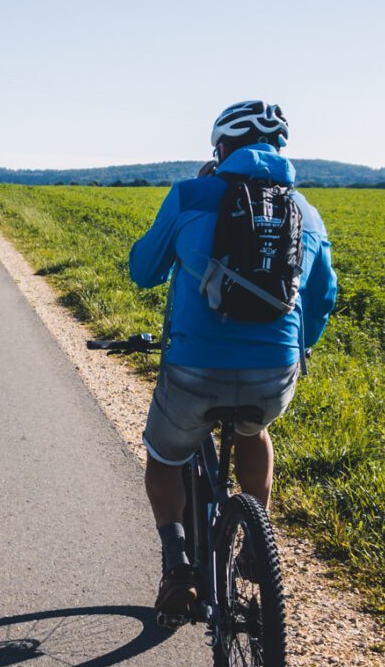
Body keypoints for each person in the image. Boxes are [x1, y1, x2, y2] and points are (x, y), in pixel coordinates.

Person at [127, 101, 338, 618]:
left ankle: (178, 566)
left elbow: (143, 270)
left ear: (221, 148)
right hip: (274, 370)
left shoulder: (192, 195)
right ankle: (255, 543)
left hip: (195, 366)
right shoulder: (305, 211)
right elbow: (322, 296)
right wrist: (296, 347)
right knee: (253, 430)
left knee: (165, 454)